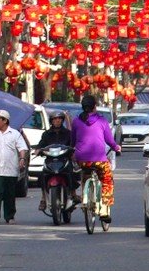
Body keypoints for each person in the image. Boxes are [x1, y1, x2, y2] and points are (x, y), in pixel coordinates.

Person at [73, 94, 119, 230]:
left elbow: (73, 140)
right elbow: (110, 141)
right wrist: (117, 147)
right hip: (99, 159)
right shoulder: (102, 121)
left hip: (82, 159)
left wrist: (73, 152)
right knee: (107, 180)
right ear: (94, 107)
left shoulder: (76, 121)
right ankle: (104, 208)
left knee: (85, 175)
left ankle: (85, 199)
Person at [0, 111, 29, 223]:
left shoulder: (15, 134)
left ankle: (10, 216)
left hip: (11, 169)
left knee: (10, 194)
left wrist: (22, 159)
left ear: (5, 120)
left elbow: (22, 148)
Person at [38, 111, 76, 212]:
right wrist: (38, 150)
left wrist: (73, 149)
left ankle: (73, 194)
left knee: (72, 173)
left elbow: (73, 144)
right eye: (54, 119)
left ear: (62, 120)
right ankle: (43, 198)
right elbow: (41, 145)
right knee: (42, 175)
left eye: (59, 118)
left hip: (64, 160)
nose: (57, 121)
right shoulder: (46, 134)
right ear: (51, 121)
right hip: (50, 161)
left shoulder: (68, 133)